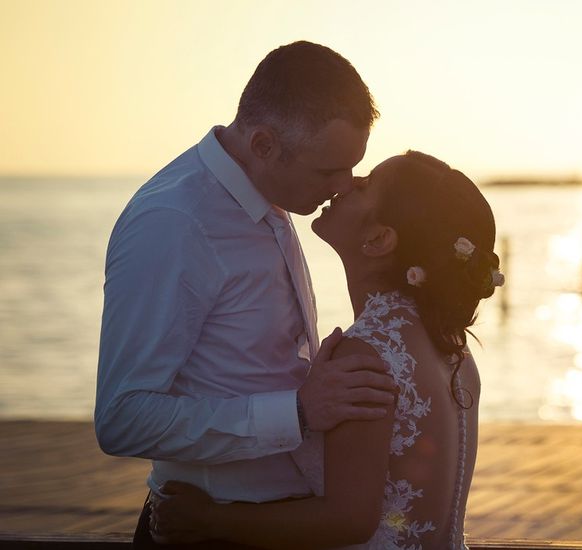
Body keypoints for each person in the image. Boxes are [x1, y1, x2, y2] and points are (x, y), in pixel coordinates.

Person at [94, 42, 398, 548]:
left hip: (278, 526)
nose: (345, 186)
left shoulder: (273, 196)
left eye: (351, 167)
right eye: (329, 171)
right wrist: (297, 412)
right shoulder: (175, 223)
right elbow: (122, 419)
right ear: (263, 144)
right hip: (205, 530)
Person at [149, 151, 503, 549]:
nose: (346, 182)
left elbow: (348, 520)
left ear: (377, 239)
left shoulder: (364, 356)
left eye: (366, 183)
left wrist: (207, 519)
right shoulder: (453, 348)